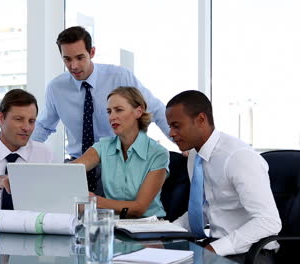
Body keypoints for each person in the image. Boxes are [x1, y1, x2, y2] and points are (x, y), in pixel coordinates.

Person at [31, 26, 169, 193]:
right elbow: (44, 126)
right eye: (67, 59)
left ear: (92, 52)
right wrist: (20, 152)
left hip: (118, 164)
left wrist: (184, 145)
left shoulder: (119, 77)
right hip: (79, 164)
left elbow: (155, 109)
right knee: (69, 212)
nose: (74, 65)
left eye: (80, 57)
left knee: (110, 215)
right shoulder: (56, 88)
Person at [165, 90, 281, 264]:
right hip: (216, 247)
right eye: (170, 126)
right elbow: (202, 211)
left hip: (252, 254)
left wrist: (214, 249)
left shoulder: (237, 157)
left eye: (176, 126)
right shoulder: (194, 158)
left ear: (201, 120)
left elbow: (268, 221)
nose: (171, 133)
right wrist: (164, 233)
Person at [72, 86, 169, 218]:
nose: (112, 117)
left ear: (138, 112)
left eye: (119, 110)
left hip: (149, 227)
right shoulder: (103, 146)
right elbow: (71, 170)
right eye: (109, 111)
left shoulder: (158, 153)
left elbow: (139, 208)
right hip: (115, 225)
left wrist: (95, 201)